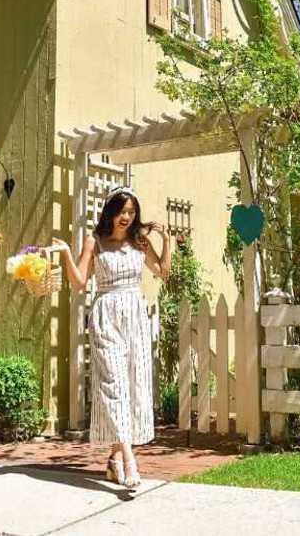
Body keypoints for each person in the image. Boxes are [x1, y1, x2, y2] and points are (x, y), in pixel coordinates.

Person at [52, 185, 171, 489]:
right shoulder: (96, 242)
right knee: (113, 385)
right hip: (106, 316)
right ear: (110, 211)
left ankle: (114, 460)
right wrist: (66, 252)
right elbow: (79, 282)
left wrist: (167, 241)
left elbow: (162, 272)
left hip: (135, 316)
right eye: (122, 211)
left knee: (132, 385)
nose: (127, 217)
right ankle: (130, 459)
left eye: (131, 212)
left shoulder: (140, 242)